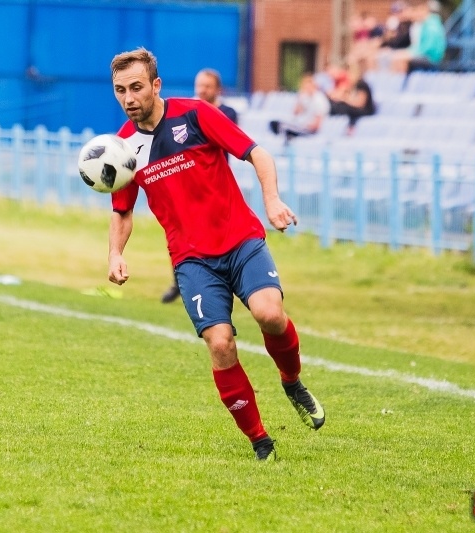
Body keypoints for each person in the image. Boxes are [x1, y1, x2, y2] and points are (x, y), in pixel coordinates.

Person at [108, 48, 325, 460]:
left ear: (155, 85)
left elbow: (257, 153)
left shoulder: (196, 114)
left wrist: (272, 200)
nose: (129, 98)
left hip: (241, 240)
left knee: (269, 314)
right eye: (120, 90)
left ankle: (292, 381)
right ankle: (262, 442)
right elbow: (122, 210)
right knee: (221, 343)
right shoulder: (122, 148)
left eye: (136, 87)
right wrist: (115, 253)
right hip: (192, 261)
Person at [160, 68, 238, 304]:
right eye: (199, 85)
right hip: (187, 188)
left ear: (218, 89)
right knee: (180, 236)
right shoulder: (186, 113)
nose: (202, 90)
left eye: (207, 86)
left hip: (216, 189)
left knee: (222, 238)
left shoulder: (227, 112)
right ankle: (181, 281)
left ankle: (225, 282)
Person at [269, 72, 331, 144]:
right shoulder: (305, 97)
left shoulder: (319, 100)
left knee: (284, 128)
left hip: (309, 129)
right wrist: (299, 98)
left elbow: (317, 123)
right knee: (274, 124)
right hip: (301, 125)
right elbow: (295, 113)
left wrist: (305, 125)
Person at [390, 0, 446, 74]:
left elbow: (428, 47)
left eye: (415, 11)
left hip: (432, 57)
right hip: (425, 54)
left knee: (399, 59)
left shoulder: (432, 25)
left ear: (423, 9)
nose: (414, 14)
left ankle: (401, 83)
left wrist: (411, 53)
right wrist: (408, 51)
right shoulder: (424, 24)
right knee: (395, 56)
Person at [328, 63, 376, 134]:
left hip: (365, 110)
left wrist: (345, 100)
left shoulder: (361, 84)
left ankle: (350, 127)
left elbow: (360, 104)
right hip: (356, 107)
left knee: (344, 107)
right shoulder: (352, 85)